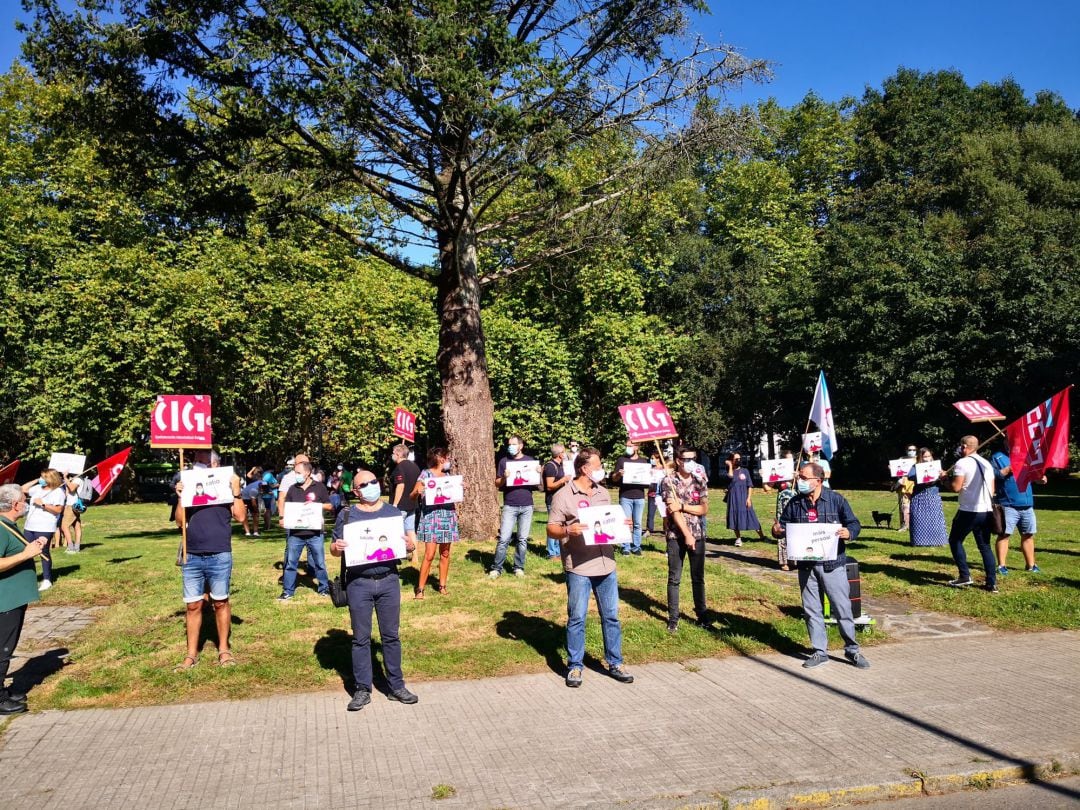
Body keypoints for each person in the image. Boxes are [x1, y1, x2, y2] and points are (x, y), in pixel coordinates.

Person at [546, 446, 634, 687]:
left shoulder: (603, 493)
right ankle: (575, 666)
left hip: (606, 565)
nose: (601, 469)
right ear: (585, 468)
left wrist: (623, 524)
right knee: (577, 618)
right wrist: (567, 530)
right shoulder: (563, 495)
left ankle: (615, 662)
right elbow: (551, 528)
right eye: (598, 465)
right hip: (580, 567)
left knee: (612, 616)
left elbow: (608, 524)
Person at [330, 470, 418, 711]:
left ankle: (396, 686)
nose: (371, 486)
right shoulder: (347, 515)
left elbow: (405, 547)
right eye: (364, 485)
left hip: (389, 579)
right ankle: (362, 689)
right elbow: (333, 549)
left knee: (391, 636)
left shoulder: (392, 512)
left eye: (374, 481)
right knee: (360, 638)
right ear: (356, 491)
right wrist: (337, 548)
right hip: (358, 582)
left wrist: (409, 546)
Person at [772, 462, 870, 669]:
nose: (800, 481)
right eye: (799, 477)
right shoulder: (795, 503)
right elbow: (782, 527)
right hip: (807, 566)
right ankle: (819, 651)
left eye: (804, 478)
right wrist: (776, 529)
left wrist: (849, 533)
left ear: (818, 480)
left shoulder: (836, 500)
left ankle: (852, 650)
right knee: (811, 610)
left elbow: (854, 523)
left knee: (842, 608)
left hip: (833, 564)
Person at [174, 449, 245, 670]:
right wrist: (180, 498)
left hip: (219, 553)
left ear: (215, 465)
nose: (197, 467)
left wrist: (236, 492)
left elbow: (241, 516)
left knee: (220, 602)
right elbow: (178, 522)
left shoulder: (226, 485)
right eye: (196, 462)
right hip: (192, 554)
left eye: (202, 462)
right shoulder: (189, 486)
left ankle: (224, 649)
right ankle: (191, 654)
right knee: (193, 605)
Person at [0, 485, 48, 715]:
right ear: (14, 505)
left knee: (6, 647)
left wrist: (33, 547)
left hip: (13, 599)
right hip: (5, 601)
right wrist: (25, 555)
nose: (26, 502)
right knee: (3, 649)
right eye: (24, 499)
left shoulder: (8, 525)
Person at [661, 447, 710, 633]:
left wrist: (682, 505)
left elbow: (704, 509)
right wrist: (687, 534)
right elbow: (673, 512)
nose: (690, 462)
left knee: (698, 577)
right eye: (686, 459)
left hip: (698, 534)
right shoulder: (668, 481)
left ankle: (702, 614)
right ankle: (673, 618)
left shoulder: (699, 480)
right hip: (676, 536)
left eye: (693, 458)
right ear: (678, 460)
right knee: (674, 578)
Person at [947, 435, 997, 591]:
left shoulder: (962, 463)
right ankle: (991, 583)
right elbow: (993, 489)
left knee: (955, 540)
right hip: (986, 510)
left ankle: (964, 575)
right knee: (985, 547)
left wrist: (944, 479)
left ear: (964, 447)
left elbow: (955, 487)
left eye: (960, 446)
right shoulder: (986, 463)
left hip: (969, 510)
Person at [277, 461, 333, 600]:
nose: (296, 475)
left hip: (315, 533)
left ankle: (324, 588)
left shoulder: (319, 487)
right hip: (295, 534)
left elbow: (330, 506)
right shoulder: (292, 489)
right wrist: (283, 518)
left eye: (298, 473)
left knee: (319, 563)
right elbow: (288, 507)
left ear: (307, 473)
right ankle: (288, 591)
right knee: (291, 563)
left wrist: (316, 506)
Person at [411, 447, 460, 598]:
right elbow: (412, 495)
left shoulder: (448, 476)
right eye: (447, 457)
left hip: (448, 516)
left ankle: (442, 585)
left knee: (445, 553)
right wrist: (417, 492)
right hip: (431, 517)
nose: (449, 461)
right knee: (429, 554)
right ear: (440, 458)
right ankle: (420, 589)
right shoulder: (425, 474)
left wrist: (460, 489)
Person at [992, 440, 1045, 575]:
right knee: (1004, 535)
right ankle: (1002, 566)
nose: (1013, 444)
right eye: (1009, 441)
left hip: (1027, 504)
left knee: (1028, 535)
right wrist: (1007, 469)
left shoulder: (1026, 456)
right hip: (1007, 504)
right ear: (1004, 442)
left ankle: (1031, 565)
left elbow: (1034, 476)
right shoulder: (997, 457)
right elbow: (993, 475)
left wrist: (1040, 478)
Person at [490, 435, 539, 578]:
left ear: (521, 446)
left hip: (526, 505)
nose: (510, 446)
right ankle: (496, 568)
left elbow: (539, 485)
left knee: (522, 539)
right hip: (510, 505)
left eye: (513, 444)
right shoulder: (504, 461)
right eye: (509, 444)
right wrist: (505, 477)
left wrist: (538, 473)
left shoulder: (530, 461)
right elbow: (497, 483)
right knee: (504, 538)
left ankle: (519, 567)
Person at [21, 469, 64, 591]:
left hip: (45, 526)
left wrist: (43, 504)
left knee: (43, 552)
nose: (41, 479)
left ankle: (47, 579)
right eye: (41, 477)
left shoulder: (58, 492)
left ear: (51, 479)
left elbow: (59, 510)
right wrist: (36, 480)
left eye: (44, 477)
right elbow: (23, 489)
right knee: (26, 552)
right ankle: (28, 578)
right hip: (30, 526)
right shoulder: (37, 488)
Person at [612, 439, 647, 556]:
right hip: (625, 496)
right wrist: (618, 474)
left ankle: (636, 547)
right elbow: (613, 478)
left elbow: (648, 481)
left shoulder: (643, 461)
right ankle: (625, 547)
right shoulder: (621, 460)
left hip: (639, 496)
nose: (628, 448)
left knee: (637, 523)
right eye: (626, 445)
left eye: (630, 446)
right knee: (625, 522)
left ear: (637, 447)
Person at [908, 447, 947, 547]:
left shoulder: (936, 465)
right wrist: (921, 473)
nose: (927, 458)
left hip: (933, 494)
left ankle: (938, 541)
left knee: (935, 519)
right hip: (919, 495)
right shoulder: (915, 466)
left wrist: (942, 475)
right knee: (919, 519)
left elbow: (941, 478)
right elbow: (910, 476)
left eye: (929, 456)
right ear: (920, 457)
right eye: (925, 456)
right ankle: (919, 541)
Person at [724, 452, 764, 547]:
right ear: (731, 460)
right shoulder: (729, 471)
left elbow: (749, 485)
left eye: (739, 458)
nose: (739, 460)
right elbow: (730, 476)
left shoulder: (745, 471)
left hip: (744, 497)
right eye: (736, 459)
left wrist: (749, 498)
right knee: (735, 516)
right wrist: (729, 465)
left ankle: (762, 536)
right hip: (733, 497)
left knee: (751, 516)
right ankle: (738, 538)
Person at [388, 444, 421, 557]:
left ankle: (399, 554)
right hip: (412, 504)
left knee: (398, 531)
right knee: (411, 530)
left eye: (393, 453)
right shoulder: (415, 466)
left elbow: (400, 486)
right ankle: (415, 556)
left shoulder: (399, 467)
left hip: (401, 505)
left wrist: (395, 504)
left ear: (397, 454)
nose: (392, 455)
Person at [542, 444, 571, 559]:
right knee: (553, 526)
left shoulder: (560, 465)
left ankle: (558, 551)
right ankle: (552, 552)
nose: (565, 454)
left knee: (560, 525)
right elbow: (549, 486)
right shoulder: (550, 466)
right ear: (560, 454)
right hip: (552, 500)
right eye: (564, 452)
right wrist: (563, 480)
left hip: (560, 500)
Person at [892, 444, 918, 530]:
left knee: (915, 506)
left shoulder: (919, 459)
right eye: (910, 450)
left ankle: (915, 525)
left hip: (915, 485)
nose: (912, 451)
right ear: (906, 450)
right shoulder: (901, 459)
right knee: (904, 506)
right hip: (903, 484)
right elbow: (897, 471)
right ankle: (904, 525)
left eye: (913, 450)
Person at [60, 475, 84, 553]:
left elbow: (72, 488)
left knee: (64, 526)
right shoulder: (74, 479)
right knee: (76, 525)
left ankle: (71, 547)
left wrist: (65, 478)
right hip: (73, 504)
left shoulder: (77, 479)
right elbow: (68, 492)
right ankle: (77, 547)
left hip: (72, 505)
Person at [241, 466, 264, 537]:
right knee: (246, 515)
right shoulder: (255, 489)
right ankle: (248, 532)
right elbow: (253, 502)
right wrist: (256, 509)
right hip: (244, 498)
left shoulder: (261, 482)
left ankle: (255, 532)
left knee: (255, 514)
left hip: (249, 496)